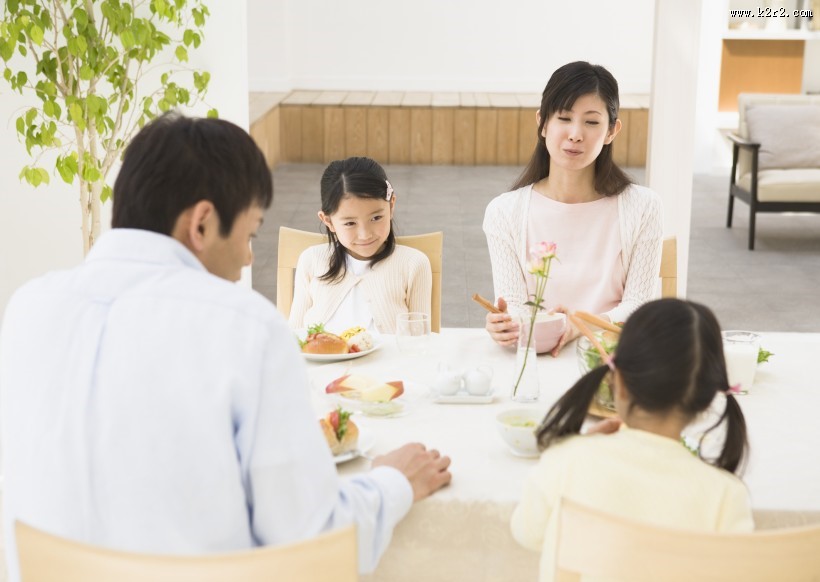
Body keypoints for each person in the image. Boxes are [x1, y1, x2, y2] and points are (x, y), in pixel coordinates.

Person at [0, 113, 451, 581]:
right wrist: (393, 482)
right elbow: (313, 543)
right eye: (251, 233)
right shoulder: (245, 329)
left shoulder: (27, 310)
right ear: (203, 223)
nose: (248, 259)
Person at [510, 298, 753, 582]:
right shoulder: (726, 494)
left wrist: (579, 446)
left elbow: (526, 532)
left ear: (618, 385)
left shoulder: (568, 459)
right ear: (705, 401)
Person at [483, 61, 663, 355]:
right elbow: (514, 306)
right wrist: (504, 324)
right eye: (564, 118)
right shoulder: (504, 212)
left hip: (611, 360)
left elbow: (639, 308)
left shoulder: (642, 206)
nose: (575, 134)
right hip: (537, 360)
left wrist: (578, 325)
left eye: (592, 122)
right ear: (542, 123)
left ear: (611, 131)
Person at [289, 157, 431, 334]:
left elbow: (419, 342)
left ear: (391, 206)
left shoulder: (414, 264)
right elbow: (293, 337)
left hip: (391, 362)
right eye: (350, 223)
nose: (365, 234)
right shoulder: (311, 260)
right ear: (328, 221)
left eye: (376, 218)